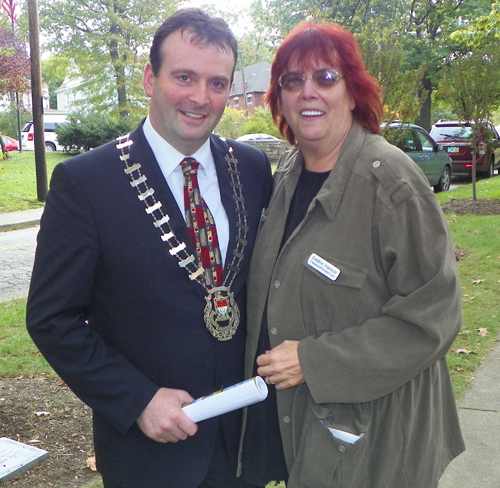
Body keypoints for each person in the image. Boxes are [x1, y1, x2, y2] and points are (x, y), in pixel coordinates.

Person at [26, 9, 273, 488]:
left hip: (243, 444)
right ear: (149, 78)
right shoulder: (86, 183)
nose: (201, 98)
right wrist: (137, 398)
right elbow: (51, 318)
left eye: (217, 83)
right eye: (184, 77)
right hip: (151, 455)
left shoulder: (251, 168)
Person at [238, 21, 465, 488]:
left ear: (353, 91)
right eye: (292, 81)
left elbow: (432, 321)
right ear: (278, 98)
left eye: (326, 77)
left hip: (378, 443)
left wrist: (314, 361)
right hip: (306, 432)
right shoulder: (286, 176)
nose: (308, 93)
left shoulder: (392, 184)